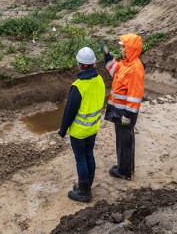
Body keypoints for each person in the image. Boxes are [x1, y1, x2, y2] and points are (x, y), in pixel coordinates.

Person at [58, 47, 106, 202]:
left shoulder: (78, 86)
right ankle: (86, 186)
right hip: (93, 127)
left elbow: (69, 111)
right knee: (89, 155)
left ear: (79, 64)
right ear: (93, 64)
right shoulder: (99, 80)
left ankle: (84, 193)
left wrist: (63, 130)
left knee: (81, 159)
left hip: (79, 131)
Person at [101, 34, 145, 181]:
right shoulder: (126, 64)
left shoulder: (135, 69)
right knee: (122, 140)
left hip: (125, 114)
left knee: (125, 142)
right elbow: (115, 71)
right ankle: (124, 167)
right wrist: (107, 55)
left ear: (130, 48)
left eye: (123, 47)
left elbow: (135, 95)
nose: (121, 49)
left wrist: (128, 115)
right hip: (120, 112)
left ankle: (124, 172)